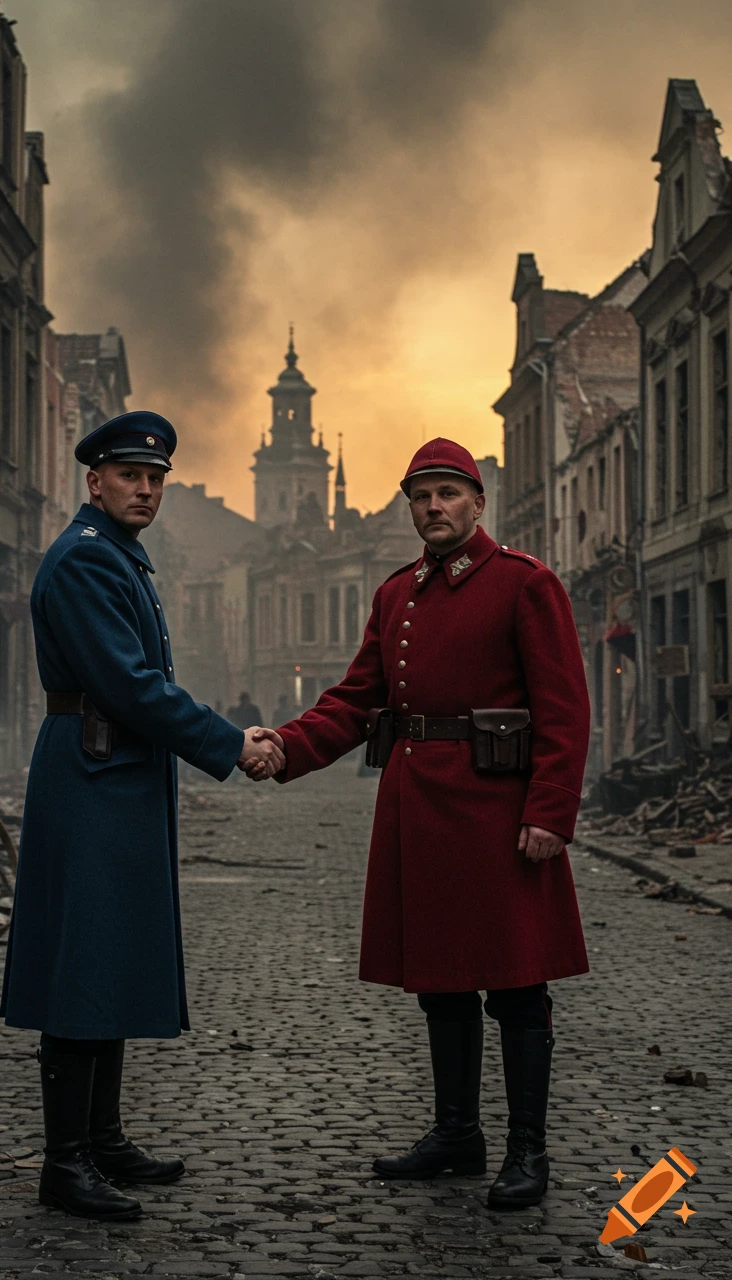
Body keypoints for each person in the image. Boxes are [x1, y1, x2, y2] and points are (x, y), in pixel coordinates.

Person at [254, 438, 590, 1209]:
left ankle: (528, 1151)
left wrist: (550, 813)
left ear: (477, 503)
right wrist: (287, 746)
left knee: (514, 984)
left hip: (499, 807)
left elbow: (565, 709)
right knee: (440, 981)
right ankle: (456, 1135)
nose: (433, 507)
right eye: (420, 496)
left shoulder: (524, 584)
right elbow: (355, 699)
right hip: (419, 806)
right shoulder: (397, 593)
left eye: (447, 493)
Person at [0, 411, 284, 1222]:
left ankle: (104, 1138)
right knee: (82, 959)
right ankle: (66, 1162)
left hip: (115, 771)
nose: (148, 489)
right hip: (93, 772)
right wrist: (233, 743)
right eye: (132, 476)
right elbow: (130, 686)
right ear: (96, 481)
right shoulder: (88, 562)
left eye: (156, 478)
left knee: (112, 948)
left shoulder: (119, 557)